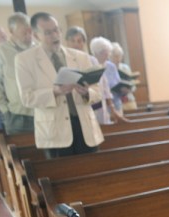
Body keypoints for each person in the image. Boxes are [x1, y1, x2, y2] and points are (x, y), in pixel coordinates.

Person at [15, 12, 104, 158]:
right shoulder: (24, 60)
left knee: (93, 173)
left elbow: (97, 92)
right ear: (36, 35)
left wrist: (86, 93)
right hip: (54, 131)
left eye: (57, 30)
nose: (55, 36)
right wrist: (54, 92)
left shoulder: (80, 56)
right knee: (62, 177)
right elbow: (27, 98)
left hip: (85, 127)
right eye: (48, 32)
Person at [0, 15, 36, 135]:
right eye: (24, 32)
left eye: (30, 31)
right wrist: (6, 111)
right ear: (12, 31)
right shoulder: (0, 52)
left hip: (44, 113)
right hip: (17, 117)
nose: (29, 35)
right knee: (24, 153)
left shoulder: (38, 49)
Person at [89, 36, 125, 124]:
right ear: (99, 52)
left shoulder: (105, 65)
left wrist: (112, 108)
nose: (108, 56)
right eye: (106, 53)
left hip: (106, 105)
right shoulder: (90, 64)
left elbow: (106, 90)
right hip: (95, 105)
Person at [109, 42, 137, 111]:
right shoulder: (106, 69)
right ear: (110, 56)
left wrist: (129, 89)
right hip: (113, 103)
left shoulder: (125, 68)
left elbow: (133, 84)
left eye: (120, 56)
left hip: (128, 101)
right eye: (115, 56)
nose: (118, 58)